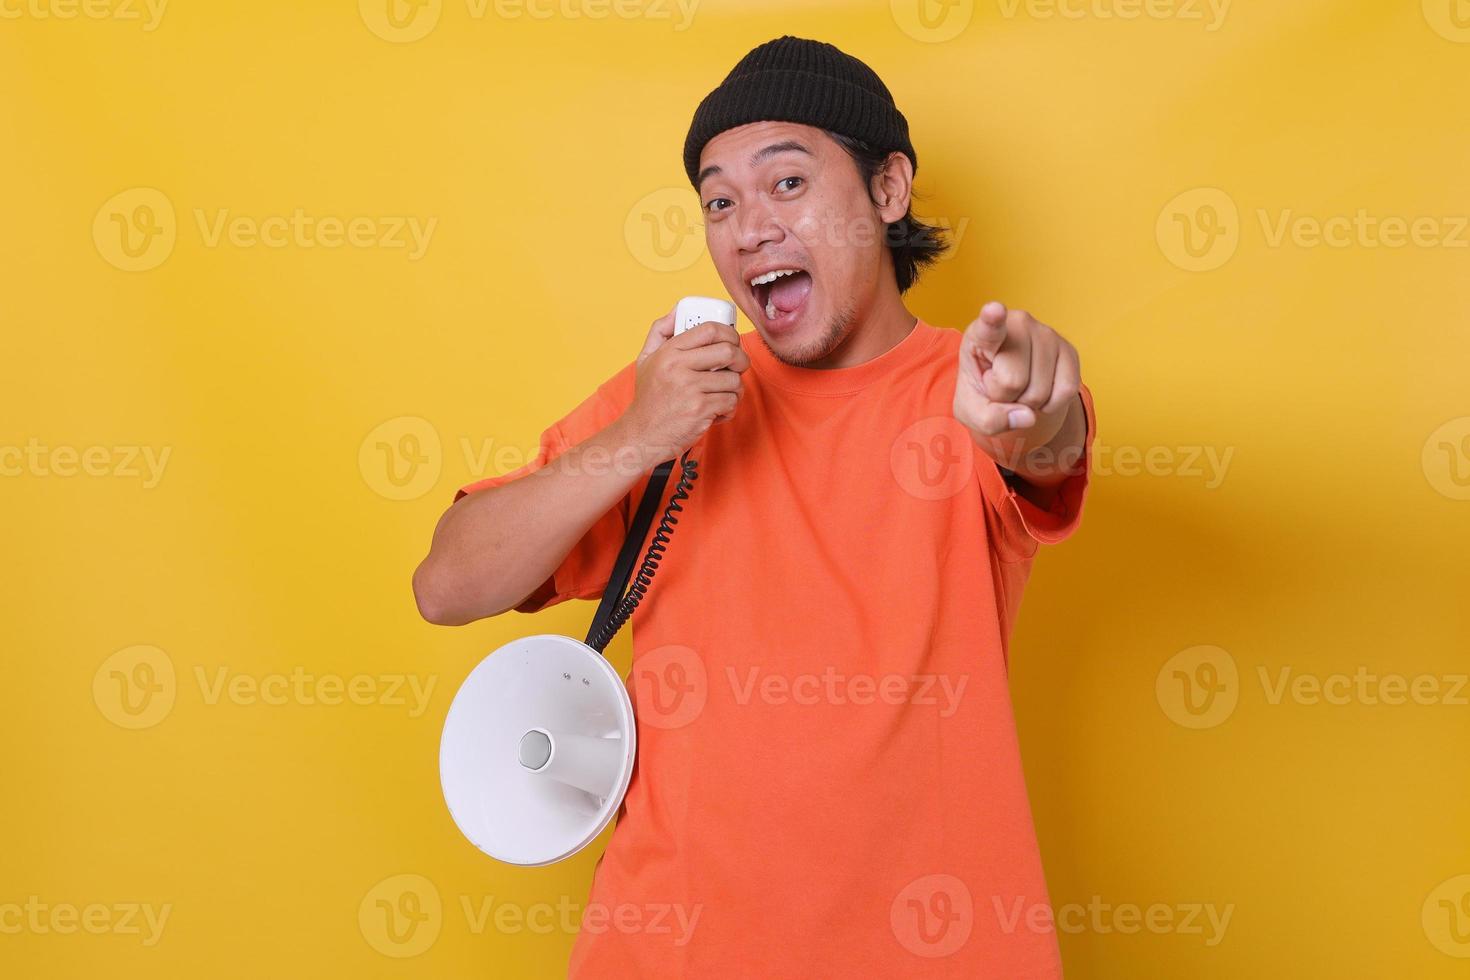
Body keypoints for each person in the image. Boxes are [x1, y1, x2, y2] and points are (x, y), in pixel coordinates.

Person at [413, 34, 1096, 978]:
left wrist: (1031, 412)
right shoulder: (675, 398)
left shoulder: (974, 384)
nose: (748, 228)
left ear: (888, 191)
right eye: (719, 201)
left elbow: (1045, 440)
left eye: (787, 184)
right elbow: (447, 584)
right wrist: (640, 436)